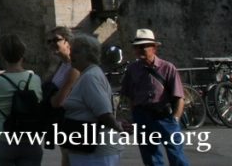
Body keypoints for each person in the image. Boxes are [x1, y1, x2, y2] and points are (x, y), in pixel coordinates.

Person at [120, 29, 190, 166]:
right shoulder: (132, 69)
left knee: (176, 154)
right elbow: (127, 96)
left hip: (164, 115)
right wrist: (129, 117)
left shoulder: (167, 68)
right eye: (136, 47)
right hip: (142, 115)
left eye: (143, 46)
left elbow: (179, 96)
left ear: (154, 48)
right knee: (150, 156)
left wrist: (175, 118)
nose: (139, 50)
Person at [62, 34, 128, 166]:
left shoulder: (90, 77)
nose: (71, 55)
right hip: (87, 148)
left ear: (88, 54)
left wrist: (118, 128)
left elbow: (103, 112)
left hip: (96, 151)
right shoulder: (87, 74)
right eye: (71, 51)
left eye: (76, 51)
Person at [0, 33, 43, 166]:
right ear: (23, 53)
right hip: (30, 137)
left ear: (2, 55)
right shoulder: (34, 79)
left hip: (4, 136)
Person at [45, 26, 80, 165]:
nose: (52, 44)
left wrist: (51, 98)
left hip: (71, 120)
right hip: (61, 121)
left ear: (67, 41)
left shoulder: (74, 66)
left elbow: (59, 100)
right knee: (66, 157)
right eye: (49, 41)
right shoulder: (62, 64)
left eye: (56, 40)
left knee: (69, 158)